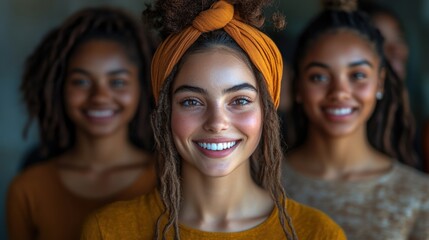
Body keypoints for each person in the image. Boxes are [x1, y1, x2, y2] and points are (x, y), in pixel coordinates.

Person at [81, 0, 346, 239]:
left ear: (266, 111)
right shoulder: (109, 230)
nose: (217, 122)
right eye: (192, 102)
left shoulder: (317, 233)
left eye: (240, 101)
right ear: (164, 112)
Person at [6, 7, 158, 240]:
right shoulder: (27, 188)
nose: (99, 96)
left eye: (117, 82)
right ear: (59, 87)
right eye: (81, 82)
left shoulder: (168, 179)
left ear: (143, 87)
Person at [281, 0, 429, 239]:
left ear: (379, 82)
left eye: (358, 75)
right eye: (318, 77)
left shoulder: (419, 197)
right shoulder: (262, 184)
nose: (339, 92)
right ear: (298, 86)